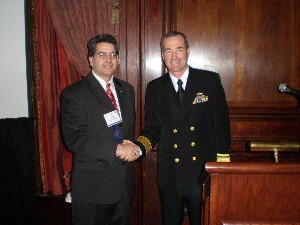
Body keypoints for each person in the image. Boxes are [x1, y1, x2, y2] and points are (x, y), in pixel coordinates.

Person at [119, 31, 231, 225]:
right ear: (162, 55)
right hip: (171, 172)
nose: (174, 56)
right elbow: (152, 129)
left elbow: (221, 124)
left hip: (202, 171)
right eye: (168, 51)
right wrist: (139, 147)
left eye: (179, 49)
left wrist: (222, 164)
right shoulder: (155, 88)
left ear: (187, 51)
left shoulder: (209, 81)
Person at [60, 34, 139, 225]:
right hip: (93, 187)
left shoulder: (126, 90)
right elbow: (74, 138)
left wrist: (134, 147)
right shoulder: (74, 94)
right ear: (90, 60)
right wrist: (117, 149)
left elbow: (126, 132)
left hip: (123, 185)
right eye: (102, 55)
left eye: (113, 55)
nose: (108, 59)